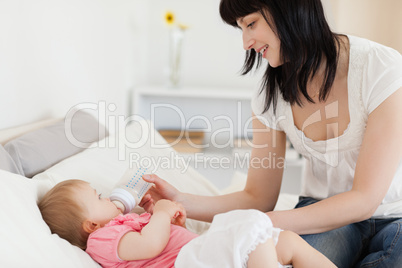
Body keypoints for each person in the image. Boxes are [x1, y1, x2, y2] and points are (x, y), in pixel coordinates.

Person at [140, 0, 402, 267]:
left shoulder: (380, 68)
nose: (245, 43)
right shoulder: (270, 95)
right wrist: (181, 200)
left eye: (251, 23)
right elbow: (258, 197)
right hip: (320, 213)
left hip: (395, 216)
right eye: (240, 28)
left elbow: (365, 200)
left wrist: (265, 222)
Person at [38, 179, 335, 268]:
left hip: (200, 256)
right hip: (189, 264)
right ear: (91, 225)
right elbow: (150, 245)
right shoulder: (101, 241)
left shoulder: (126, 222)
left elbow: (167, 242)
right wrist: (161, 215)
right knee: (247, 226)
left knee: (285, 241)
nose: (108, 199)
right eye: (99, 197)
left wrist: (174, 223)